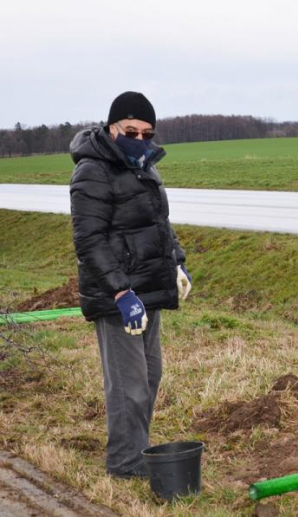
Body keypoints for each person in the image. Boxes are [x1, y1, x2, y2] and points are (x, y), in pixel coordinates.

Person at [69, 91, 192, 478]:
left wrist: (177, 263)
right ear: (112, 127)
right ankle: (125, 464)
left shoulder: (143, 166)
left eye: (146, 134)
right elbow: (89, 240)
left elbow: (160, 223)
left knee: (150, 376)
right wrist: (121, 292)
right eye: (131, 131)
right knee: (129, 386)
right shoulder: (93, 171)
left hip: (149, 290)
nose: (139, 140)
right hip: (119, 297)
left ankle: (137, 452)